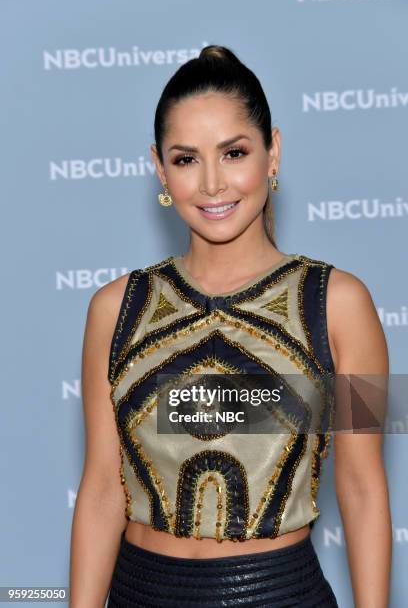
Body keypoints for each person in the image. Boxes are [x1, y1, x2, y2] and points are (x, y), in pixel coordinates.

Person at [69, 45, 392, 607]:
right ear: (159, 167)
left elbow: (364, 487)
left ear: (274, 152)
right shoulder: (112, 309)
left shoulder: (344, 303)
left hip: (283, 594)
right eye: (187, 158)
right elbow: (101, 489)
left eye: (234, 152)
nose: (213, 183)